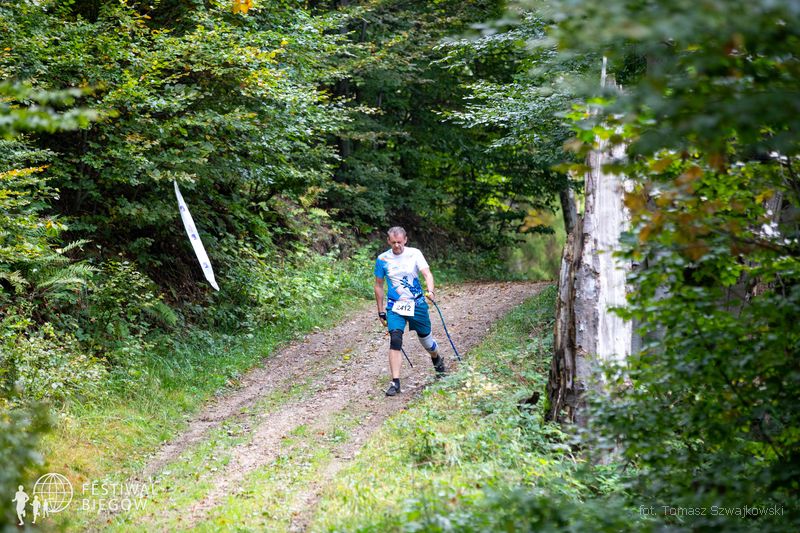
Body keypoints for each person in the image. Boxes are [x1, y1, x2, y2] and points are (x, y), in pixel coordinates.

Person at [374, 226, 445, 396]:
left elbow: (427, 274)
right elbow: (378, 285)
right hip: (395, 306)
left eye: (399, 242)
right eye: (393, 242)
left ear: (405, 240)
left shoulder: (415, 253)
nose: (397, 245)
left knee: (427, 343)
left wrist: (431, 291)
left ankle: (436, 358)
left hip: (417, 304)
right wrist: (381, 311)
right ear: (388, 241)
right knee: (395, 339)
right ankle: (395, 382)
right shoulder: (382, 259)